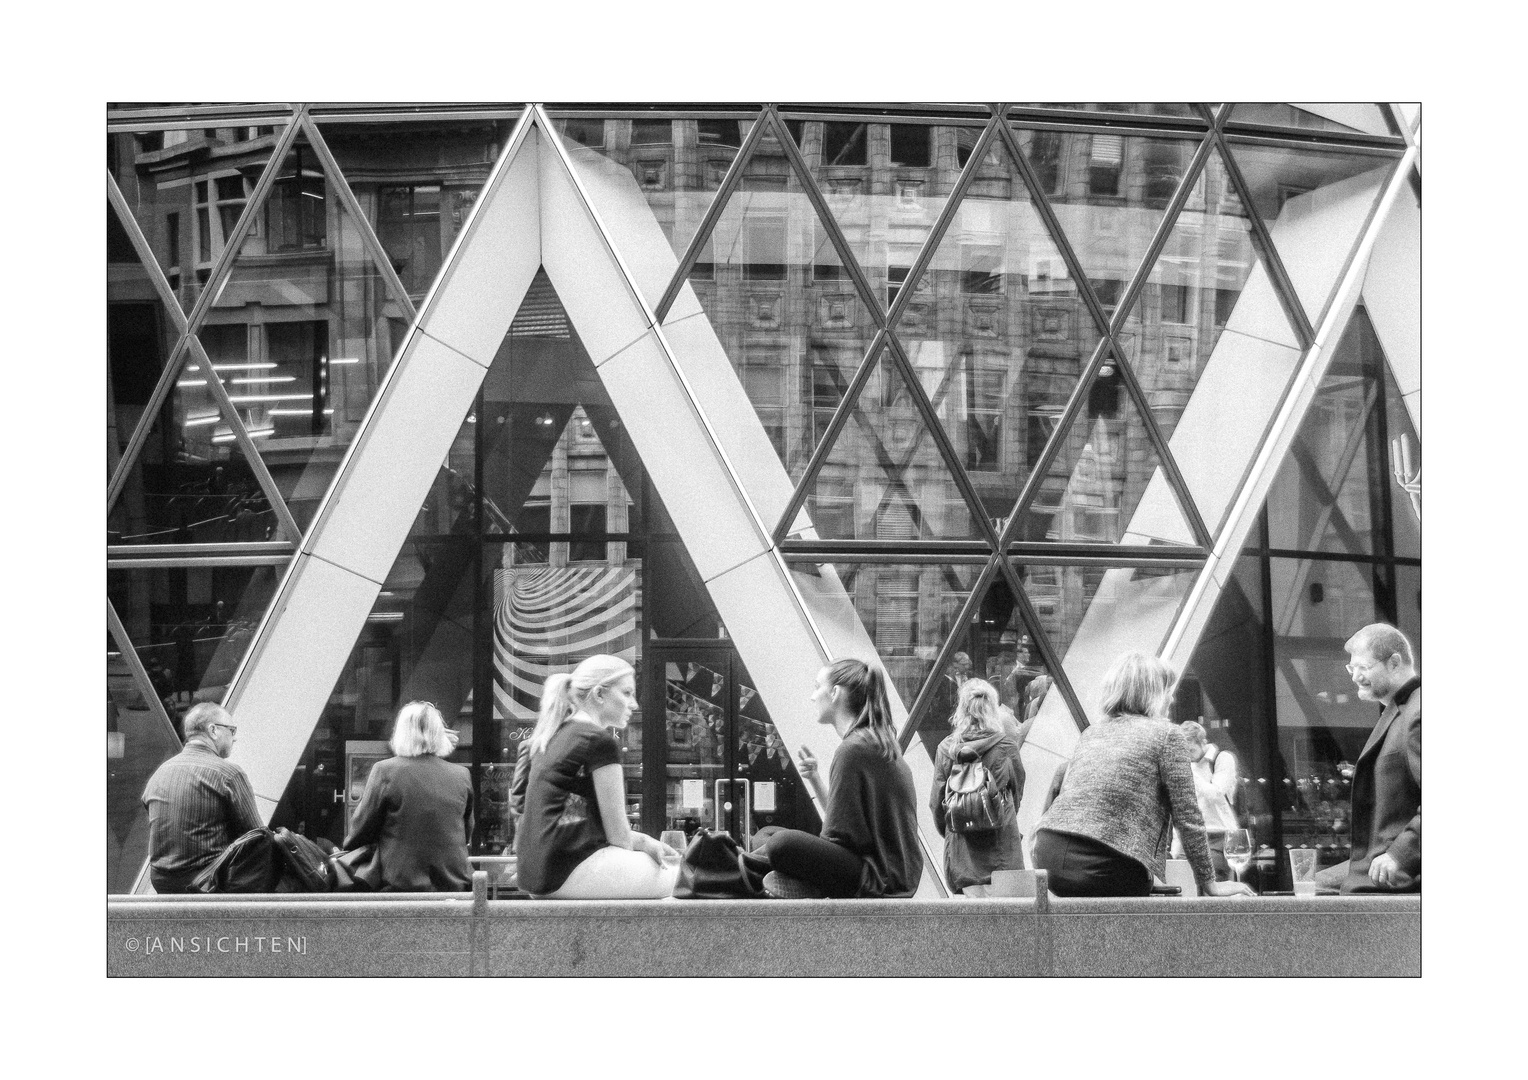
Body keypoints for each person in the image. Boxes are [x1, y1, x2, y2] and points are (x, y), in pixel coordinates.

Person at [1032, 653, 1252, 898]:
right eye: (1167, 689)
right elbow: (1187, 815)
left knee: (1137, 884)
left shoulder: (1092, 733)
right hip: (1102, 863)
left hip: (1048, 856)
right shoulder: (1167, 735)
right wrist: (1210, 883)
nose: (1172, 696)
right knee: (1139, 889)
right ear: (1152, 693)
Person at [746, 659, 923, 898]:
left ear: (835, 693)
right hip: (892, 873)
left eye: (817, 686)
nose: (812, 696)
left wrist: (809, 864)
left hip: (877, 877)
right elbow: (845, 822)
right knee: (766, 836)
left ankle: (786, 880)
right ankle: (789, 881)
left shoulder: (853, 749)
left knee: (781, 844)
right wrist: (816, 778)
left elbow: (838, 838)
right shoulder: (870, 742)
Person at [516, 655, 679, 899]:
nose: (634, 704)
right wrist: (645, 843)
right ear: (600, 694)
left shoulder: (553, 735)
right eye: (626, 693)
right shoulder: (598, 741)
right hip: (569, 871)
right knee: (683, 878)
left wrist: (644, 843)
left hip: (536, 875)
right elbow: (619, 836)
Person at [1315, 624, 1421, 894]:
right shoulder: (1402, 710)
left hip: (1395, 877)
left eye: (1363, 667)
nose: (1355, 677)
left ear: (1394, 662)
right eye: (1352, 669)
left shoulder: (1418, 713)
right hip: (1374, 871)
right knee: (1311, 884)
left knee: (1310, 892)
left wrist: (1400, 854)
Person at [343, 701, 474, 891]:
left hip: (400, 883)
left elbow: (360, 831)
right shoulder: (461, 774)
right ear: (439, 734)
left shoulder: (385, 771)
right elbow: (466, 830)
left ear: (401, 732)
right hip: (452, 883)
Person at [141, 702, 263, 893]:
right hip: (207, 882)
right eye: (232, 730)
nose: (235, 737)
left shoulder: (160, 774)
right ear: (213, 730)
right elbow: (257, 836)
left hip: (162, 882)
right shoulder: (228, 774)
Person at [930, 678, 1026, 893]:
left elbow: (936, 803)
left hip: (962, 853)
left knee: (970, 921)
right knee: (1007, 921)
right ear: (992, 709)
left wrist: (954, 828)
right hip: (1002, 850)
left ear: (961, 710)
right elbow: (1017, 792)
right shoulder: (1006, 746)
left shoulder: (946, 749)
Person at [1170, 721, 1239, 880]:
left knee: (1212, 880)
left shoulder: (1222, 758)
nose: (1188, 755)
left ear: (1203, 742)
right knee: (1182, 885)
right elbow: (1182, 809)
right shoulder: (1188, 766)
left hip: (1219, 835)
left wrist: (1189, 772)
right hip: (1190, 835)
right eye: (1184, 751)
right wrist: (1175, 851)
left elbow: (1215, 793)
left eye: (1191, 750)